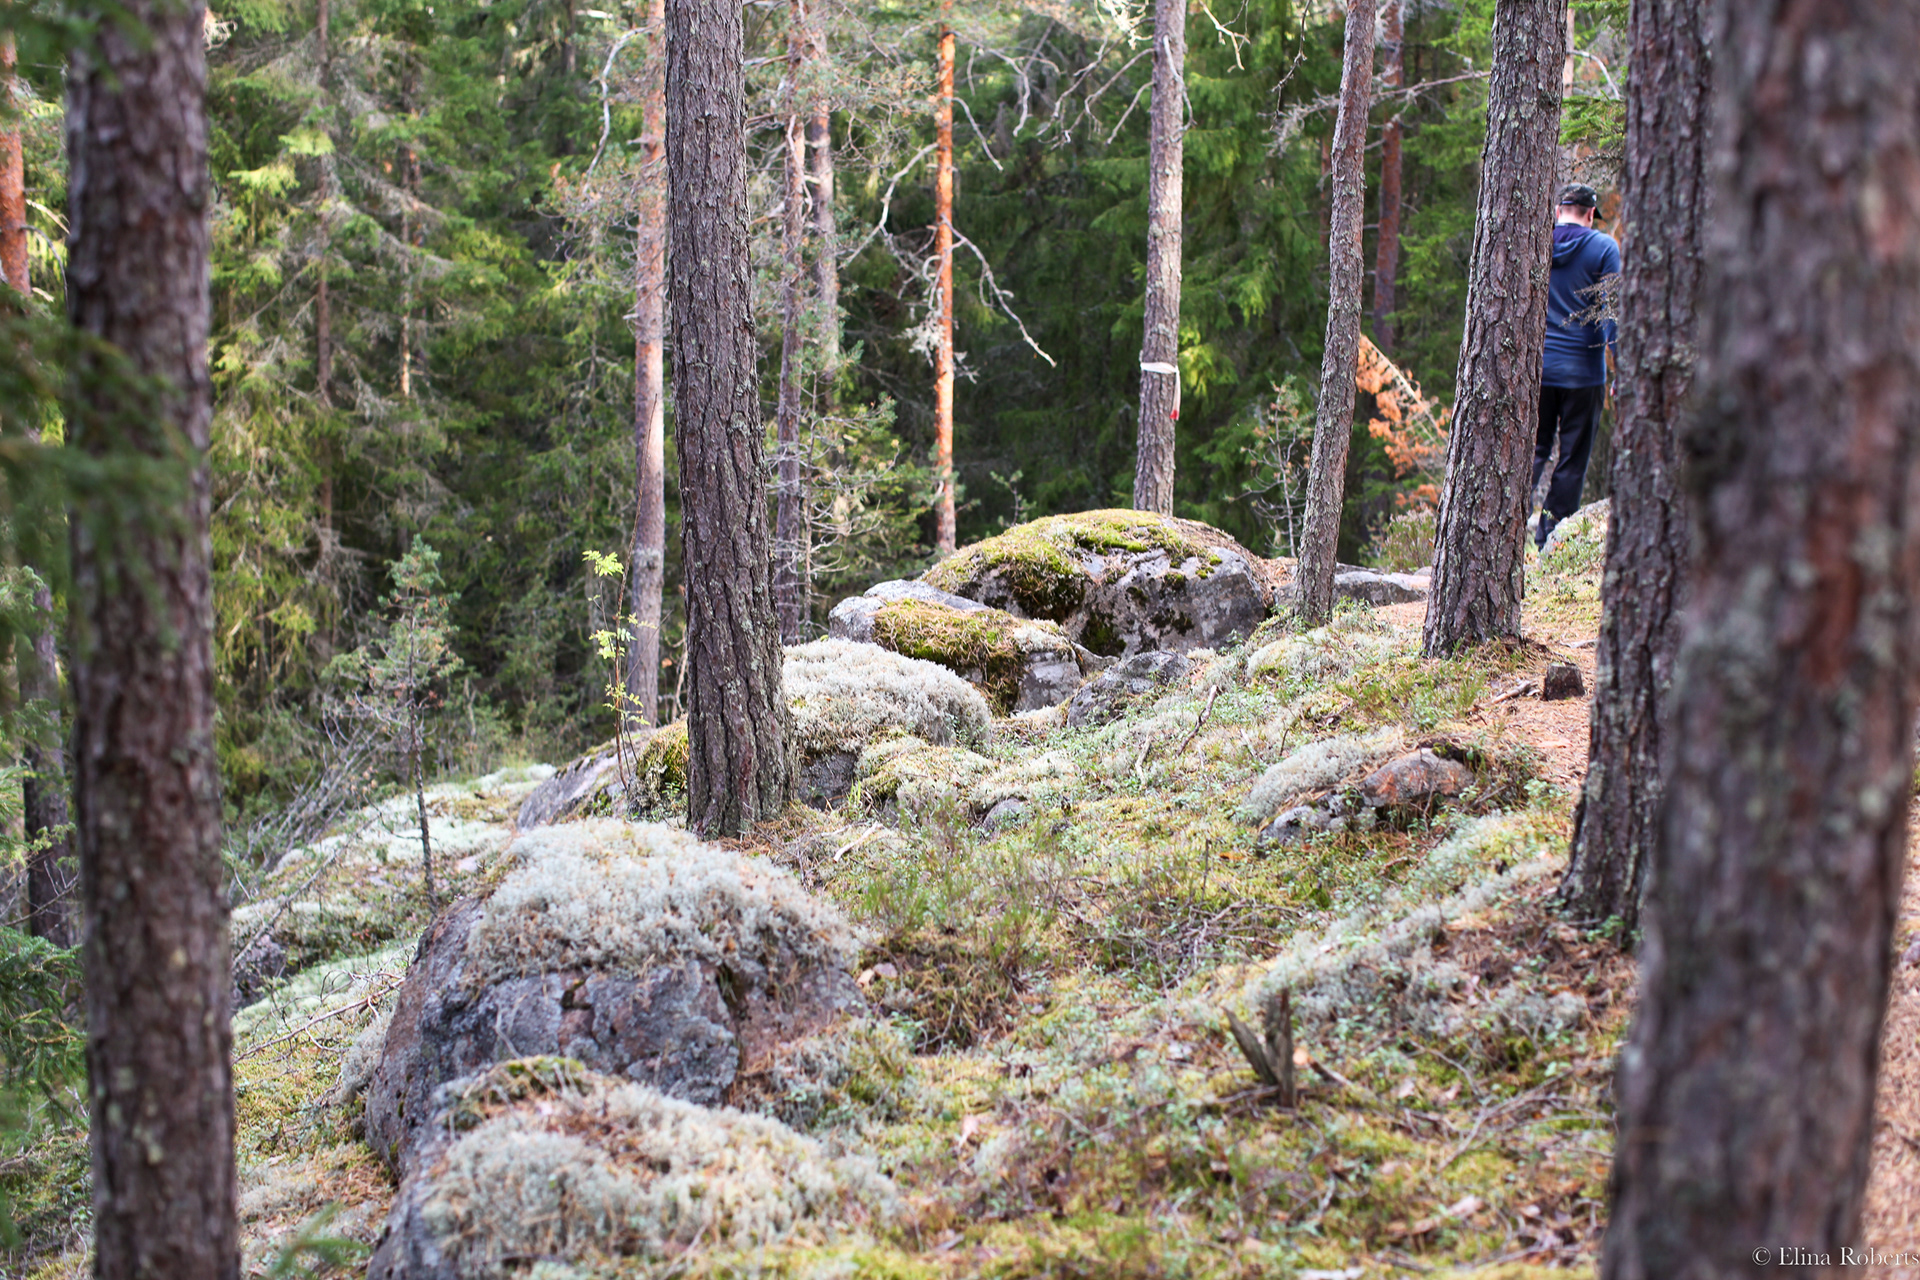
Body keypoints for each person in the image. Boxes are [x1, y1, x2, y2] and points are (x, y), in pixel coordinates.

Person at [1533, 182, 1621, 550]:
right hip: (1584, 375)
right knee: (1571, 461)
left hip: (1535, 371)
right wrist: (1623, 371)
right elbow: (1610, 315)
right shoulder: (1604, 248)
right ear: (1590, 215)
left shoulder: (1536, 242)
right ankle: (1549, 541)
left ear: (1557, 212)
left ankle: (1496, 536)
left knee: (1531, 453)